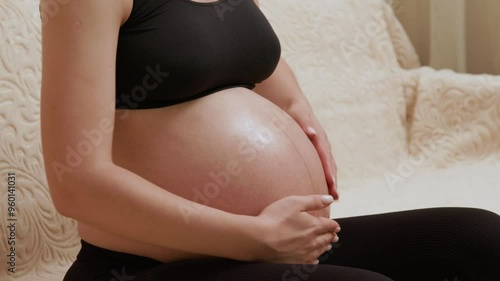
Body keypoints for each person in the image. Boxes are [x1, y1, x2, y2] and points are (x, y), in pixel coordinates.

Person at [40, 0, 500, 280]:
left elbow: (257, 64)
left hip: (286, 247)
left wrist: (301, 116)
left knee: (478, 238)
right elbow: (76, 180)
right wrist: (251, 238)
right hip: (153, 265)